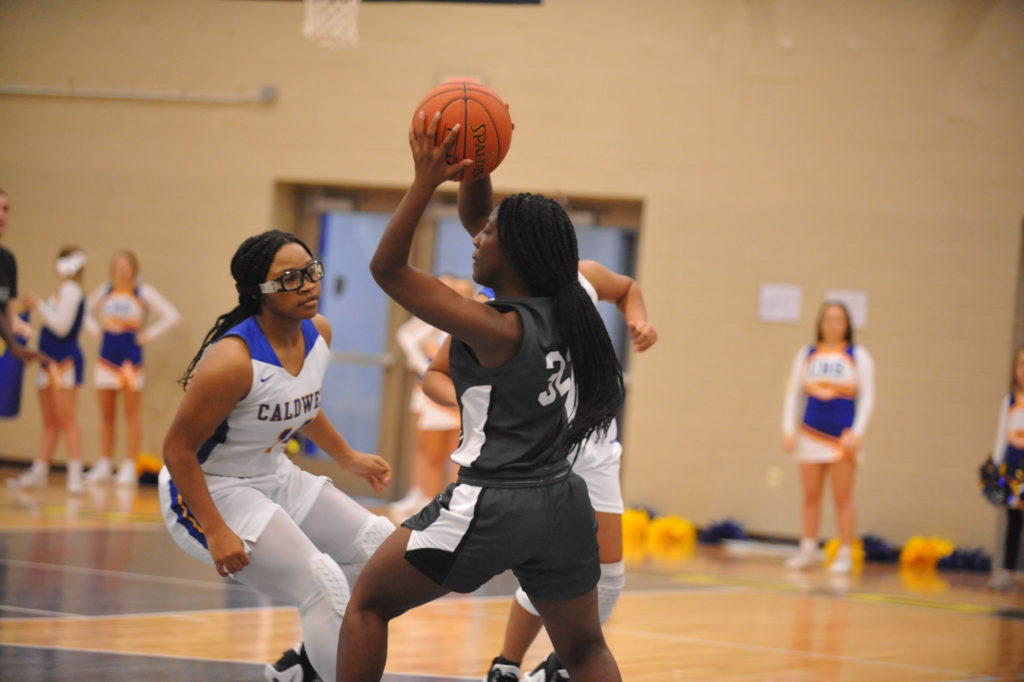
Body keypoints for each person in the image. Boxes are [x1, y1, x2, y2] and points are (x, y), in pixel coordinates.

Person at [335, 112, 625, 681]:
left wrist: (424, 182)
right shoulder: (570, 306)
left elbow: (387, 268)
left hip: (496, 500)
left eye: (488, 235)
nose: (476, 238)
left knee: (367, 603)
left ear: (514, 255)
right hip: (564, 499)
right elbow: (479, 217)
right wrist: (477, 163)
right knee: (585, 649)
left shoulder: (496, 327)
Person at [158, 230, 395, 681]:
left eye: (310, 272)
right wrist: (215, 529)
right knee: (321, 583)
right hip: (212, 488)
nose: (307, 285)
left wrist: (347, 456)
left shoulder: (318, 331)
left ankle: (302, 668)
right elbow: (177, 449)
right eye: (289, 279)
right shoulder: (231, 360)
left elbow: (301, 403)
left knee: (381, 555)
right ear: (259, 291)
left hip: (273, 473)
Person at [441, 258, 656, 682]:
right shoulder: (495, 306)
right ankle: (507, 665)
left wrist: (639, 321)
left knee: (608, 580)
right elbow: (436, 374)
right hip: (541, 452)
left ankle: (551, 668)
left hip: (594, 446)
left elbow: (627, 288)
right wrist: (477, 402)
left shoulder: (584, 275)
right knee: (548, 571)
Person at [781, 301, 875, 574]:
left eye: (838, 319)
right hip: (810, 433)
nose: (833, 325)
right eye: (828, 319)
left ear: (847, 325)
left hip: (841, 439)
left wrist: (857, 433)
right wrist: (788, 429)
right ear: (820, 323)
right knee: (810, 496)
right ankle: (808, 549)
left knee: (842, 497)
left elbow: (868, 398)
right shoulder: (807, 354)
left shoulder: (858, 355)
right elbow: (793, 395)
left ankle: (844, 553)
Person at [83, 250, 181, 485]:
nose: (122, 270)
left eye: (126, 266)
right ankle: (104, 463)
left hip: (130, 360)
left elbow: (172, 315)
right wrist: (95, 330)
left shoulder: (143, 291)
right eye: (118, 266)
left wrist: (148, 334)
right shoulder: (105, 290)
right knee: (107, 415)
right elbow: (83, 311)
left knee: (131, 414)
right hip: (106, 356)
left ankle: (128, 465)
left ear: (134, 269)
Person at [388, 275, 473, 519]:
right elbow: (406, 337)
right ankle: (424, 497)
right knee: (428, 451)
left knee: (455, 456)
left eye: (461, 292)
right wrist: (425, 370)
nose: (453, 295)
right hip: (435, 398)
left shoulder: (469, 323)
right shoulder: (439, 319)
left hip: (458, 400)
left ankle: (449, 505)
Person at [8, 247, 88, 493]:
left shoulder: (71, 289)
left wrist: (39, 304)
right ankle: (40, 471)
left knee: (67, 419)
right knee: (50, 421)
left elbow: (62, 327)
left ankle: (75, 475)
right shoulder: (62, 290)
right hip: (48, 359)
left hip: (64, 362)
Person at [987, 346, 1024, 592]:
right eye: (1020, 364)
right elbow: (1001, 438)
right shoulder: (1009, 400)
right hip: (1012, 469)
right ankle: (1008, 572)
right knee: (1013, 521)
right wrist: (997, 470)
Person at [0, 188, 41, 366]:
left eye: (6, 209)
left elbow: (8, 314)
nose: (2, 214)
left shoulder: (8, 260)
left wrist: (20, 326)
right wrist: (13, 345)